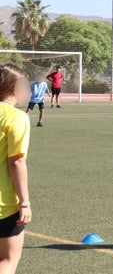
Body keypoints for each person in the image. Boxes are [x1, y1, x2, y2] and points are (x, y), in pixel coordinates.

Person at [0, 64, 32, 273]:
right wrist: (25, 202)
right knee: (7, 260)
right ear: (14, 88)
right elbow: (16, 162)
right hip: (4, 205)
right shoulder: (16, 117)